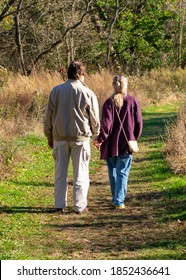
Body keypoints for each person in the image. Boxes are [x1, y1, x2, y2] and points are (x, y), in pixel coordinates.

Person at [44, 61, 100, 214]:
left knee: (60, 173)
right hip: (80, 138)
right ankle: (80, 206)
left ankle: (60, 204)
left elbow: (48, 116)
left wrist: (49, 134)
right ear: (81, 74)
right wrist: (96, 135)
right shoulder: (87, 92)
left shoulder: (56, 91)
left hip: (60, 137)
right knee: (81, 173)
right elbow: (94, 117)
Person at [94, 75, 143, 209]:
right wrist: (134, 137)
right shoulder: (133, 102)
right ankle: (118, 201)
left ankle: (116, 198)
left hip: (110, 144)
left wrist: (100, 139)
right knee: (123, 172)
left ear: (113, 85)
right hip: (126, 143)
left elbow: (106, 124)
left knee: (113, 171)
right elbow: (139, 123)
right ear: (125, 85)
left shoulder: (108, 103)